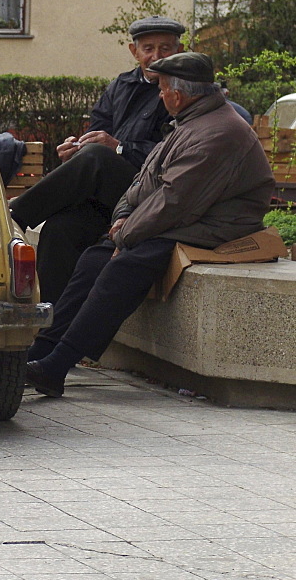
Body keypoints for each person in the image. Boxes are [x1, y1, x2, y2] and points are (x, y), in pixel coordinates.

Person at [25, 52, 275, 398]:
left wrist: (125, 235)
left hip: (213, 224)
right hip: (184, 218)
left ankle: (56, 365)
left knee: (124, 265)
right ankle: (41, 353)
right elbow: (142, 183)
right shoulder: (190, 122)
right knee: (94, 258)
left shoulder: (217, 132)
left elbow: (174, 202)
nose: (159, 95)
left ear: (178, 93)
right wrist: (122, 218)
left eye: (162, 88)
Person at [9, 16, 185, 304]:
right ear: (134, 51)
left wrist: (119, 148)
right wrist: (76, 147)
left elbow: (171, 152)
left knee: (96, 156)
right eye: (148, 49)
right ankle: (50, 325)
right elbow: (97, 130)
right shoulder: (121, 85)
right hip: (111, 197)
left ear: (179, 50)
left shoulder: (182, 91)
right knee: (59, 228)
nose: (156, 57)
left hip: (151, 191)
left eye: (165, 49)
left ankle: (14, 216)